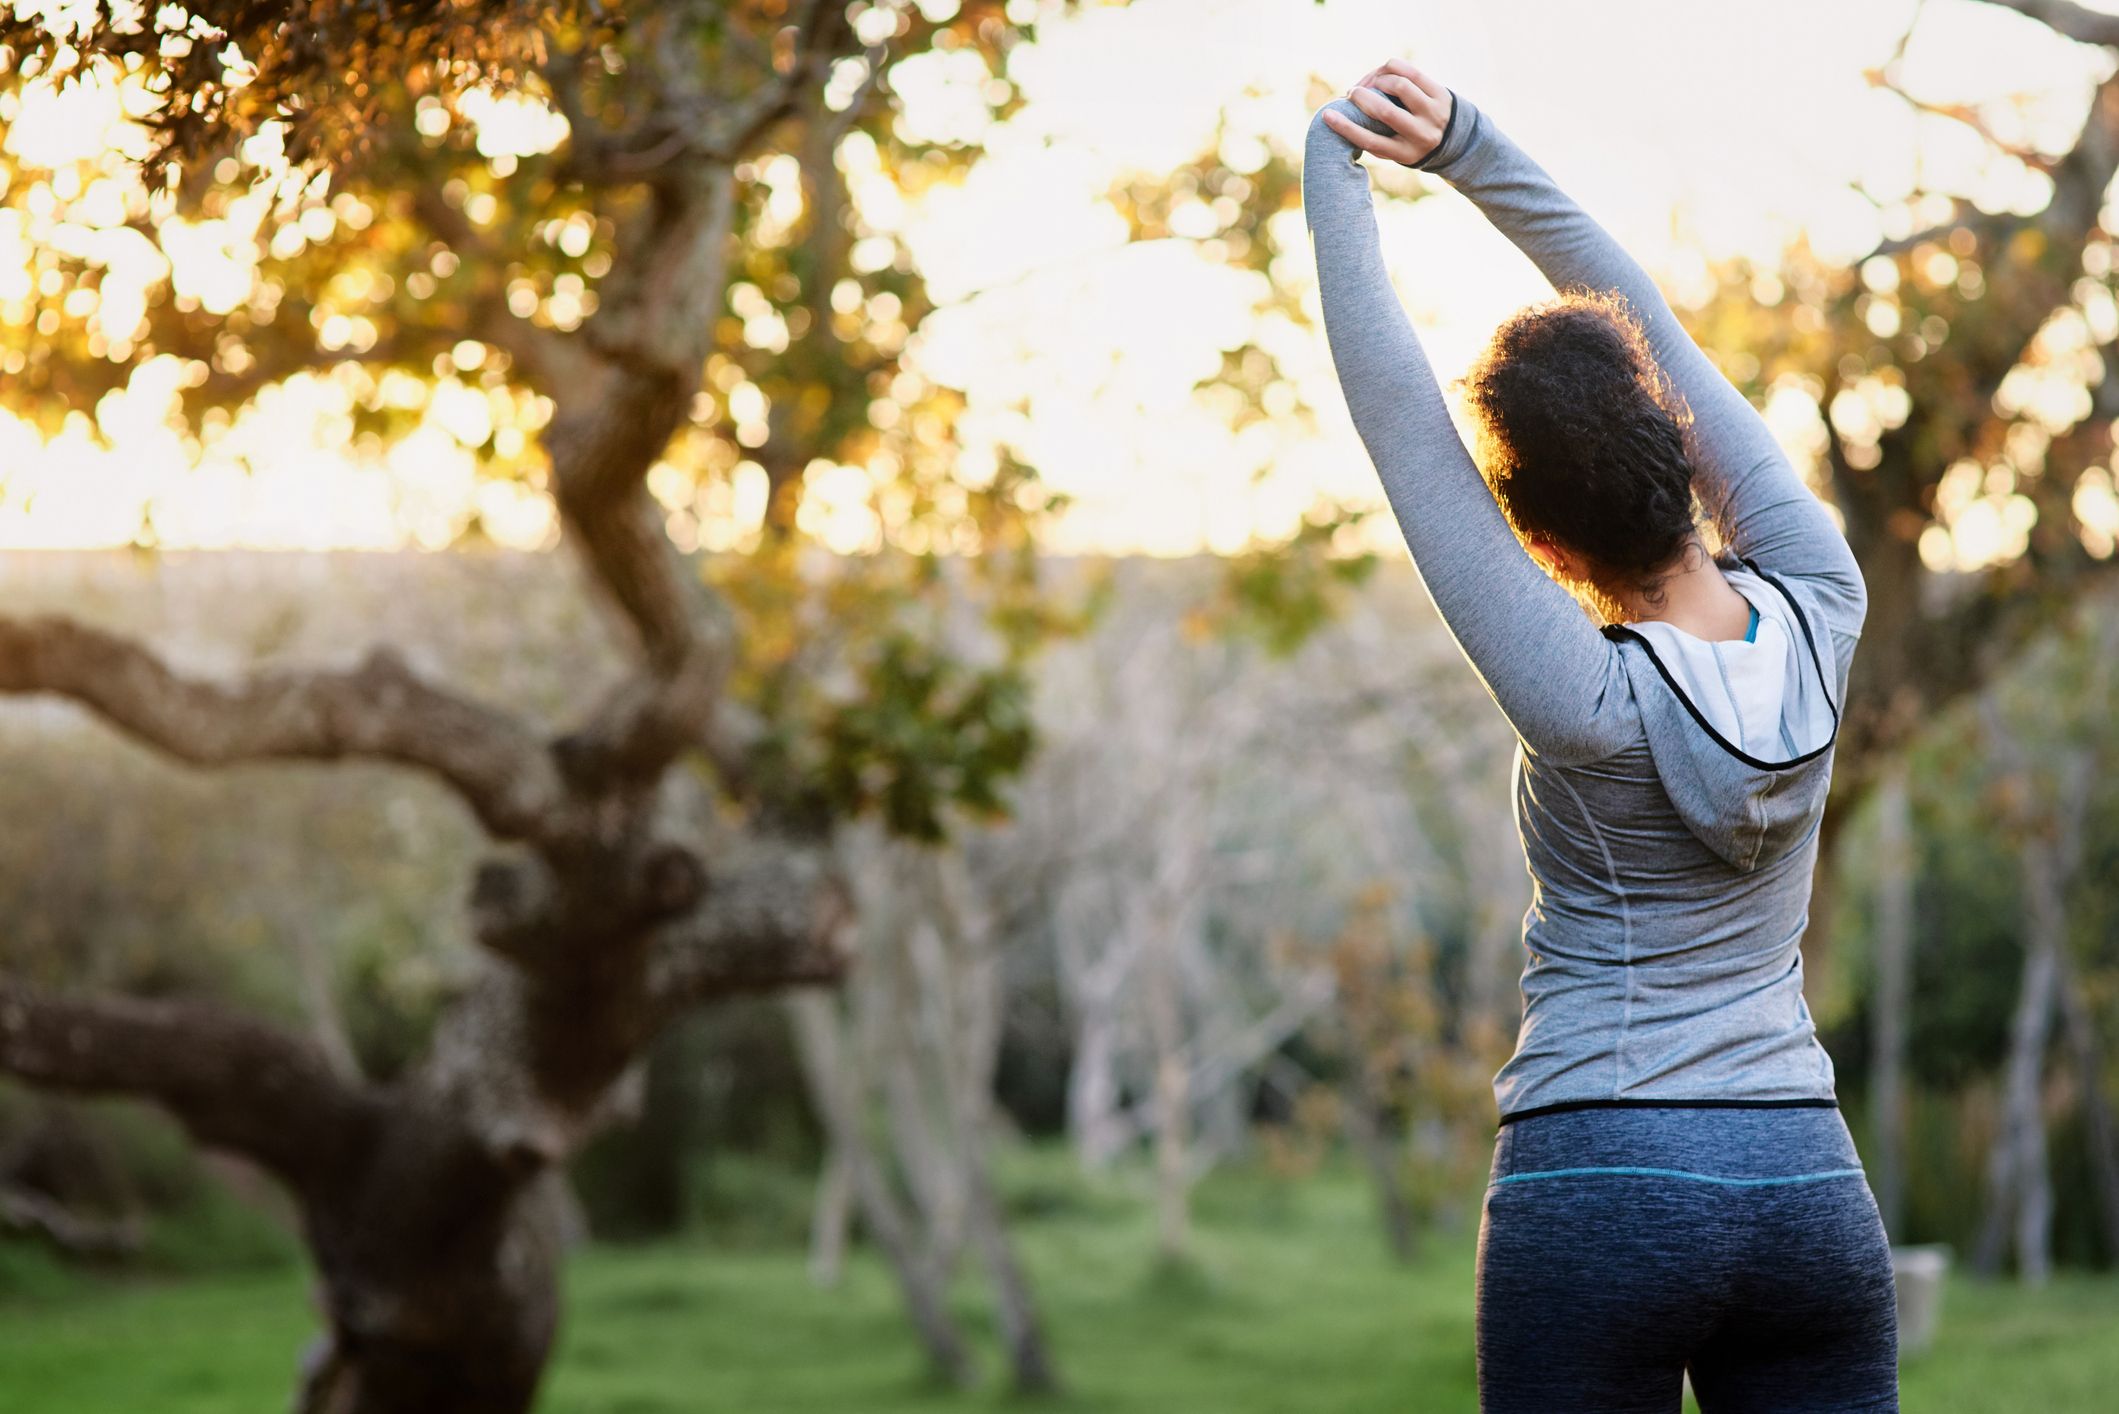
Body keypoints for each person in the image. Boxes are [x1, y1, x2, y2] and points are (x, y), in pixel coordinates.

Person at [1303, 59, 1899, 1413]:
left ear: (1544, 539)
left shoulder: (1583, 694)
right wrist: (1472, 149)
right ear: (1679, 451)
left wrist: (1332, 162)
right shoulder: (1823, 599)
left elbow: (1402, 420)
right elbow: (1661, 334)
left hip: (1601, 1177)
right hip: (1808, 1180)